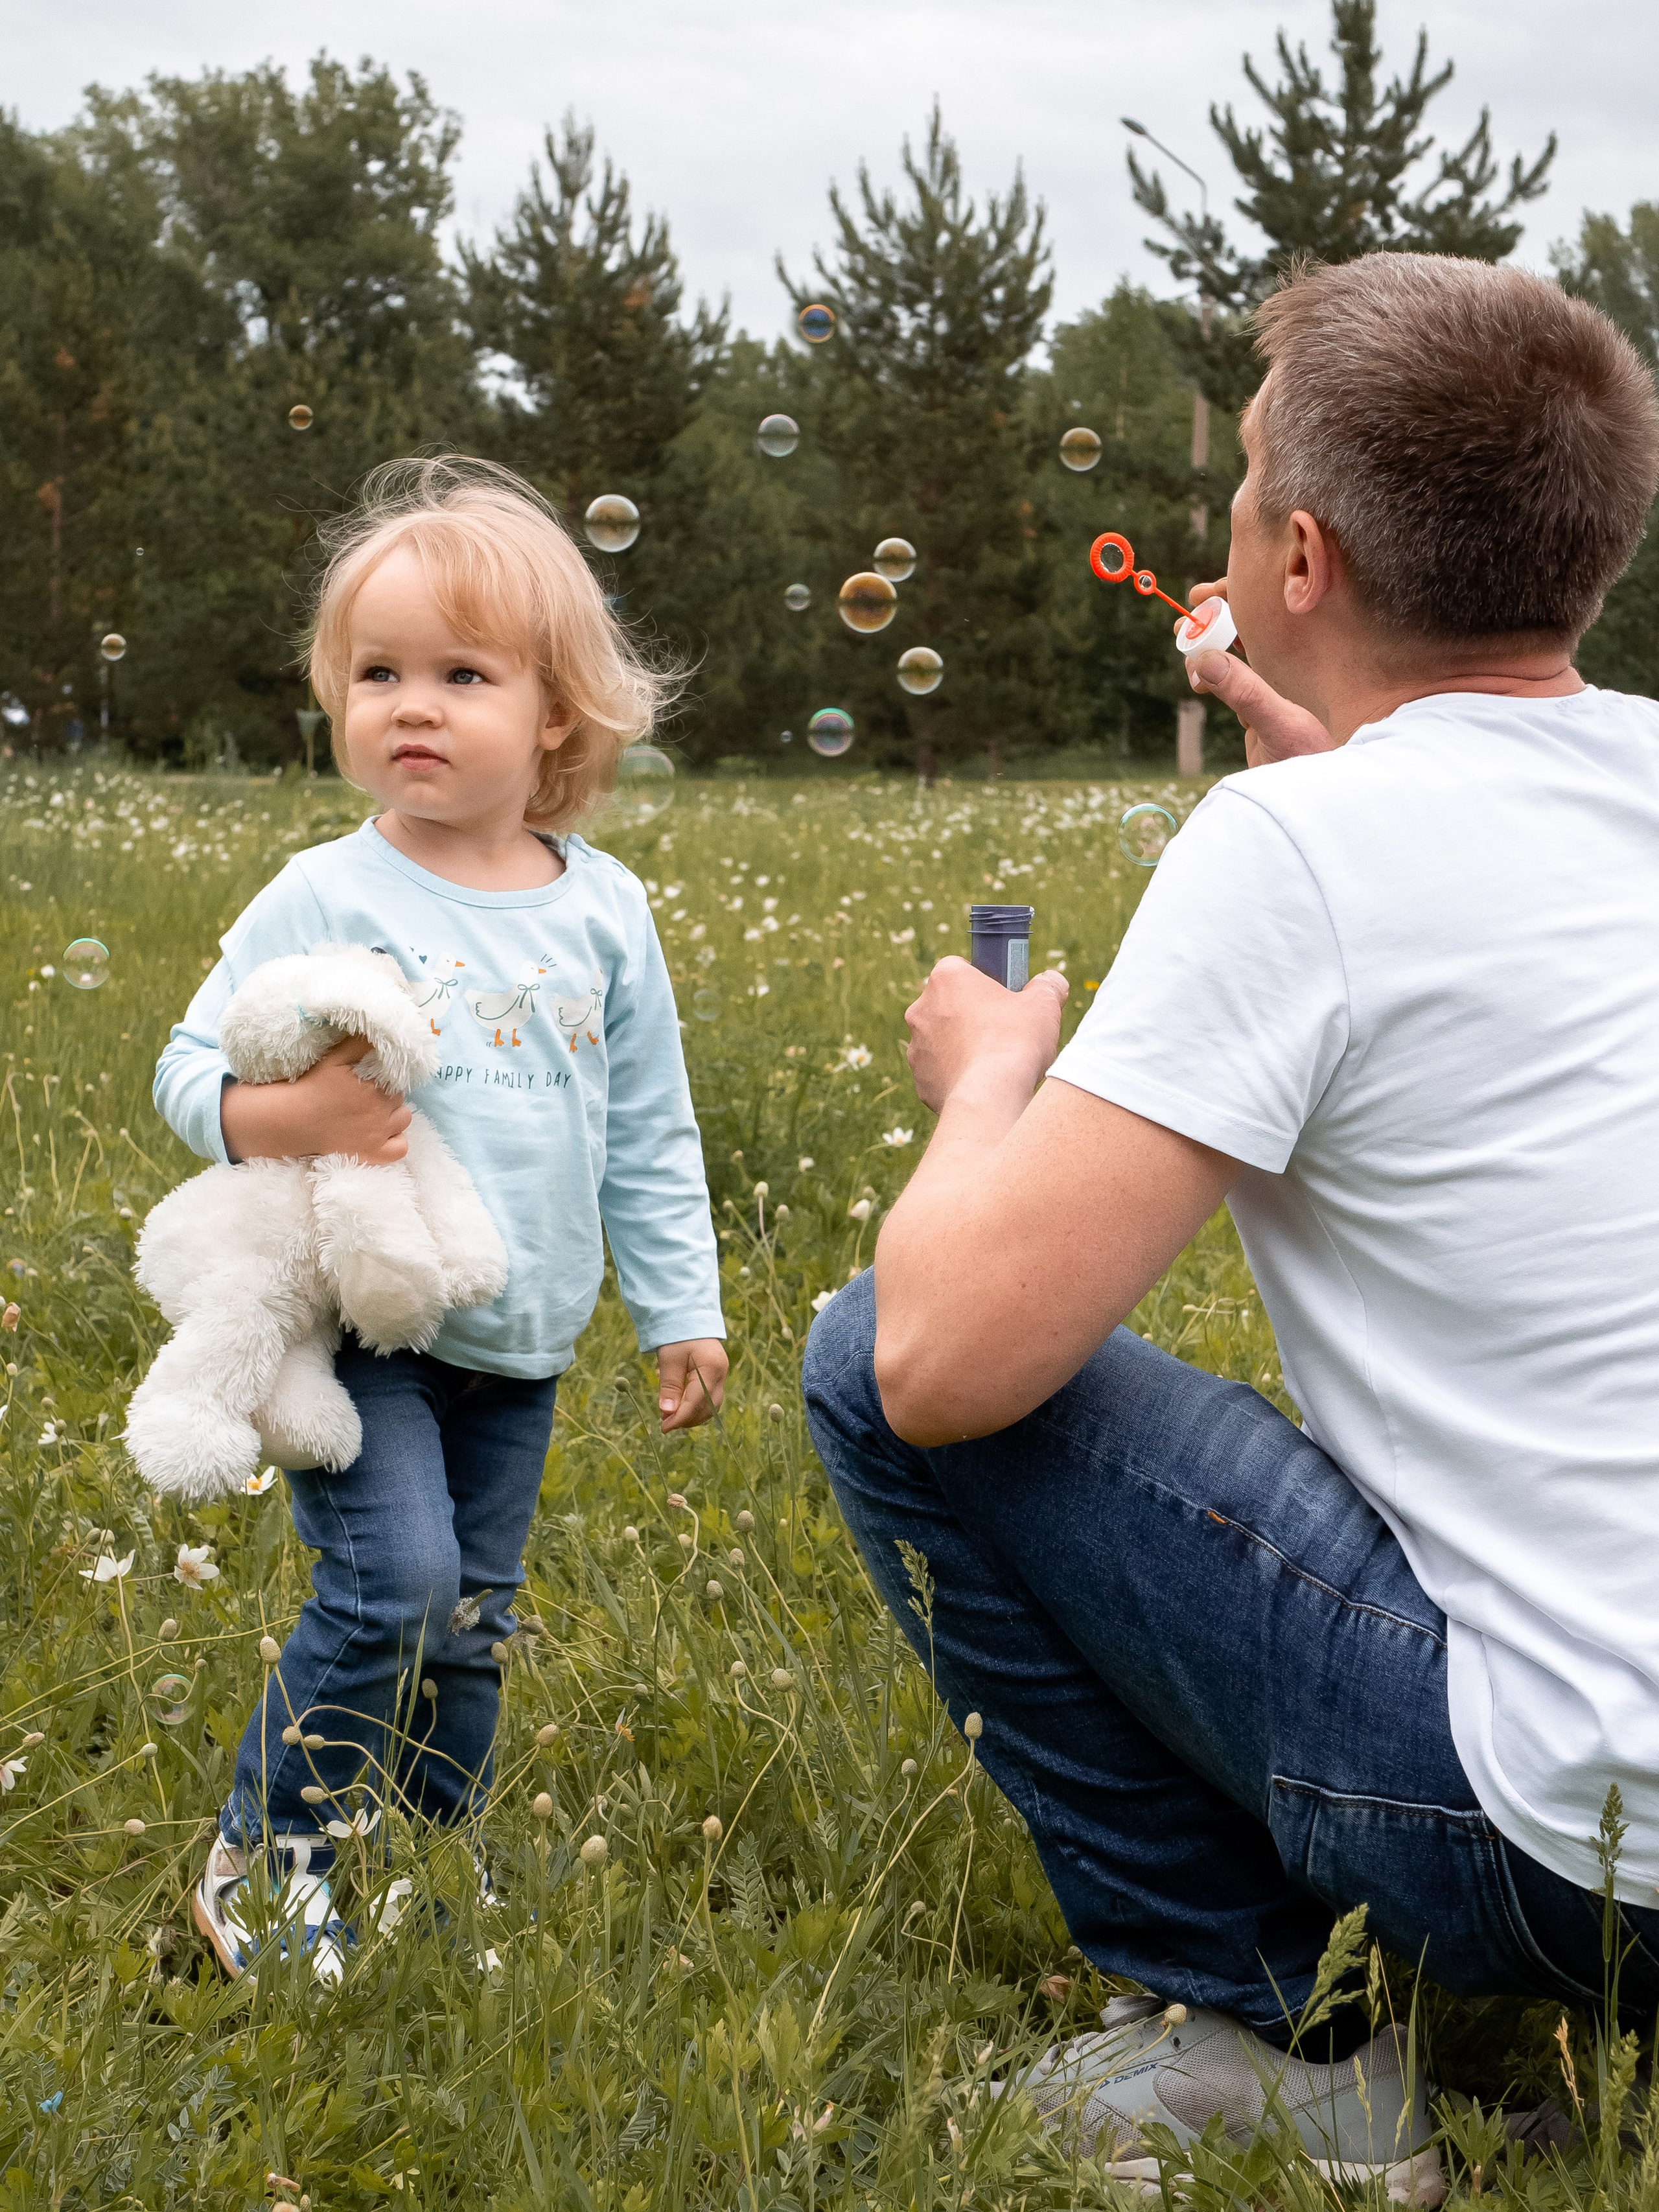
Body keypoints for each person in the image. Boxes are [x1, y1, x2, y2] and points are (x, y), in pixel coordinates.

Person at [804, 253, 1659, 2196]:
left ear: (1301, 557)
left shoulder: (1296, 850)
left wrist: (993, 1079)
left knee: (871, 1352)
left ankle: (1265, 2029)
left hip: (1573, 1846)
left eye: (1251, 469)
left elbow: (950, 1363)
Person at [154, 457, 728, 1978]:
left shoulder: (601, 909)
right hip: (365, 1325)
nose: (411, 704)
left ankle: (415, 1859)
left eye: (461, 674)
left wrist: (684, 1306)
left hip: (522, 1336)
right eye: (378, 672)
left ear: (556, 714)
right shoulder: (321, 892)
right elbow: (184, 1067)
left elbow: (651, 1130)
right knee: (393, 1586)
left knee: (470, 1627)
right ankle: (268, 1850)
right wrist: (284, 1120)